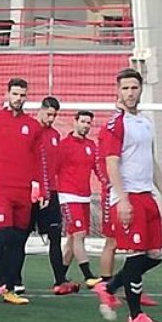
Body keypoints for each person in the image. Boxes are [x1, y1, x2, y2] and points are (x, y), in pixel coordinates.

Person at [92, 68, 162, 322]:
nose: (130, 92)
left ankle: (111, 286)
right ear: (118, 91)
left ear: (140, 90)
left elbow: (152, 162)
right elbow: (112, 164)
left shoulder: (146, 122)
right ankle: (135, 314)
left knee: (156, 254)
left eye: (134, 87)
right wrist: (123, 200)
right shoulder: (115, 125)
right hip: (128, 197)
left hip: (147, 196)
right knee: (137, 256)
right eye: (125, 88)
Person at [0, 78, 42, 306]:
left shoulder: (33, 126)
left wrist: (38, 186)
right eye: (15, 94)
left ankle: (9, 288)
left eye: (22, 95)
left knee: (17, 242)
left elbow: (37, 158)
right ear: (7, 94)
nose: (18, 98)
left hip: (23, 190)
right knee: (2, 234)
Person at [57, 110, 106, 288]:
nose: (86, 125)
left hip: (84, 196)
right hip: (68, 196)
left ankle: (60, 278)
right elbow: (54, 169)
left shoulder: (91, 146)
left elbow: (97, 169)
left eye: (88, 123)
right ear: (75, 122)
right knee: (79, 234)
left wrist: (106, 183)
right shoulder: (63, 145)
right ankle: (88, 276)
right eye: (83, 122)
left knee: (72, 239)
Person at [31, 96, 69, 294]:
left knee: (55, 236)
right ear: (41, 110)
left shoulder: (55, 135)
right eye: (48, 114)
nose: (51, 118)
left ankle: (60, 279)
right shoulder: (30, 130)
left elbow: (54, 166)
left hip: (51, 192)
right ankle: (11, 281)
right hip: (32, 191)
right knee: (18, 237)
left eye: (54, 115)